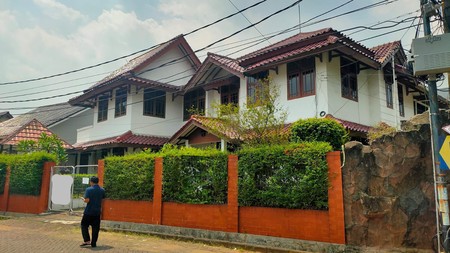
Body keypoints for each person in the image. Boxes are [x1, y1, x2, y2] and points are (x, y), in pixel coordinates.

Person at [80, 176, 105, 248]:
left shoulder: (89, 189)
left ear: (91, 182)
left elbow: (87, 200)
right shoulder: (102, 190)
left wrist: (83, 199)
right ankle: (94, 243)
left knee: (84, 225)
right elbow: (103, 198)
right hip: (97, 212)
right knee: (95, 228)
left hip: (89, 211)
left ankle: (87, 240)